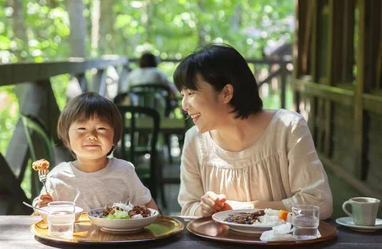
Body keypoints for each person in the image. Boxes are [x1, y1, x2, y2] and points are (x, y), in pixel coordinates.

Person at [174, 44, 333, 220]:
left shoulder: (287, 128)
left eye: (191, 93)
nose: (184, 105)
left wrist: (242, 209)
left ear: (226, 93)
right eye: (183, 95)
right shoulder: (194, 140)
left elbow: (319, 204)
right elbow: (188, 207)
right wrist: (203, 209)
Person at [33, 92, 159, 212]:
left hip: (117, 234)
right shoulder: (58, 177)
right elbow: (41, 217)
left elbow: (149, 207)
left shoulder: (124, 171)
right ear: (67, 139)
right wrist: (42, 208)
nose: (91, 135)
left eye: (101, 128)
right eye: (82, 128)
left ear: (114, 138)